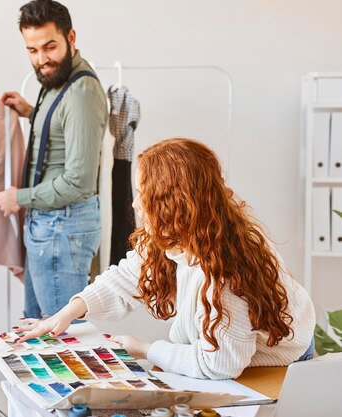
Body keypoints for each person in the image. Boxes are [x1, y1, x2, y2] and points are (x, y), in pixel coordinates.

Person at [17, 138, 316, 380]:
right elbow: (127, 276)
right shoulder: (177, 234)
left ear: (172, 201)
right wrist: (71, 310)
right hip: (229, 355)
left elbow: (220, 365)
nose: (134, 203)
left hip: (281, 362)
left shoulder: (226, 272)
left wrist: (147, 350)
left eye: (142, 193)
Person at [0, 0, 108, 320]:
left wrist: (21, 198)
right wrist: (32, 112)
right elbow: (64, 130)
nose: (42, 59)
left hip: (63, 227)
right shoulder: (57, 81)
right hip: (49, 225)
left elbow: (79, 180)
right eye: (32, 50)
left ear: (71, 38)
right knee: (36, 328)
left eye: (50, 47)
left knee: (60, 341)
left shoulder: (81, 93)